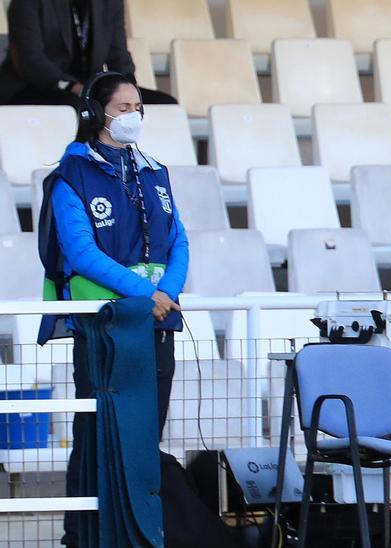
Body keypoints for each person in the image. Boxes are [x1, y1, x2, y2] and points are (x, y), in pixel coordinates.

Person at [35, 71, 188, 546]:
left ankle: (139, 532)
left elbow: (178, 240)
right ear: (95, 114)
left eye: (137, 108)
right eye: (122, 109)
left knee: (147, 436)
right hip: (104, 326)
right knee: (98, 432)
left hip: (157, 321)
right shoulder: (70, 176)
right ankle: (82, 536)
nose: (132, 117)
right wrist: (146, 296)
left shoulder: (155, 171)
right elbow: (80, 253)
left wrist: (167, 293)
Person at [0, 0, 176, 106]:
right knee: (80, 105)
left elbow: (118, 56)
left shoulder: (109, 3)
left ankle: (139, 165)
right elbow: (30, 60)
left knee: (164, 104)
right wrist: (73, 87)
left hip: (89, 86)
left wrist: (127, 88)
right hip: (35, 87)